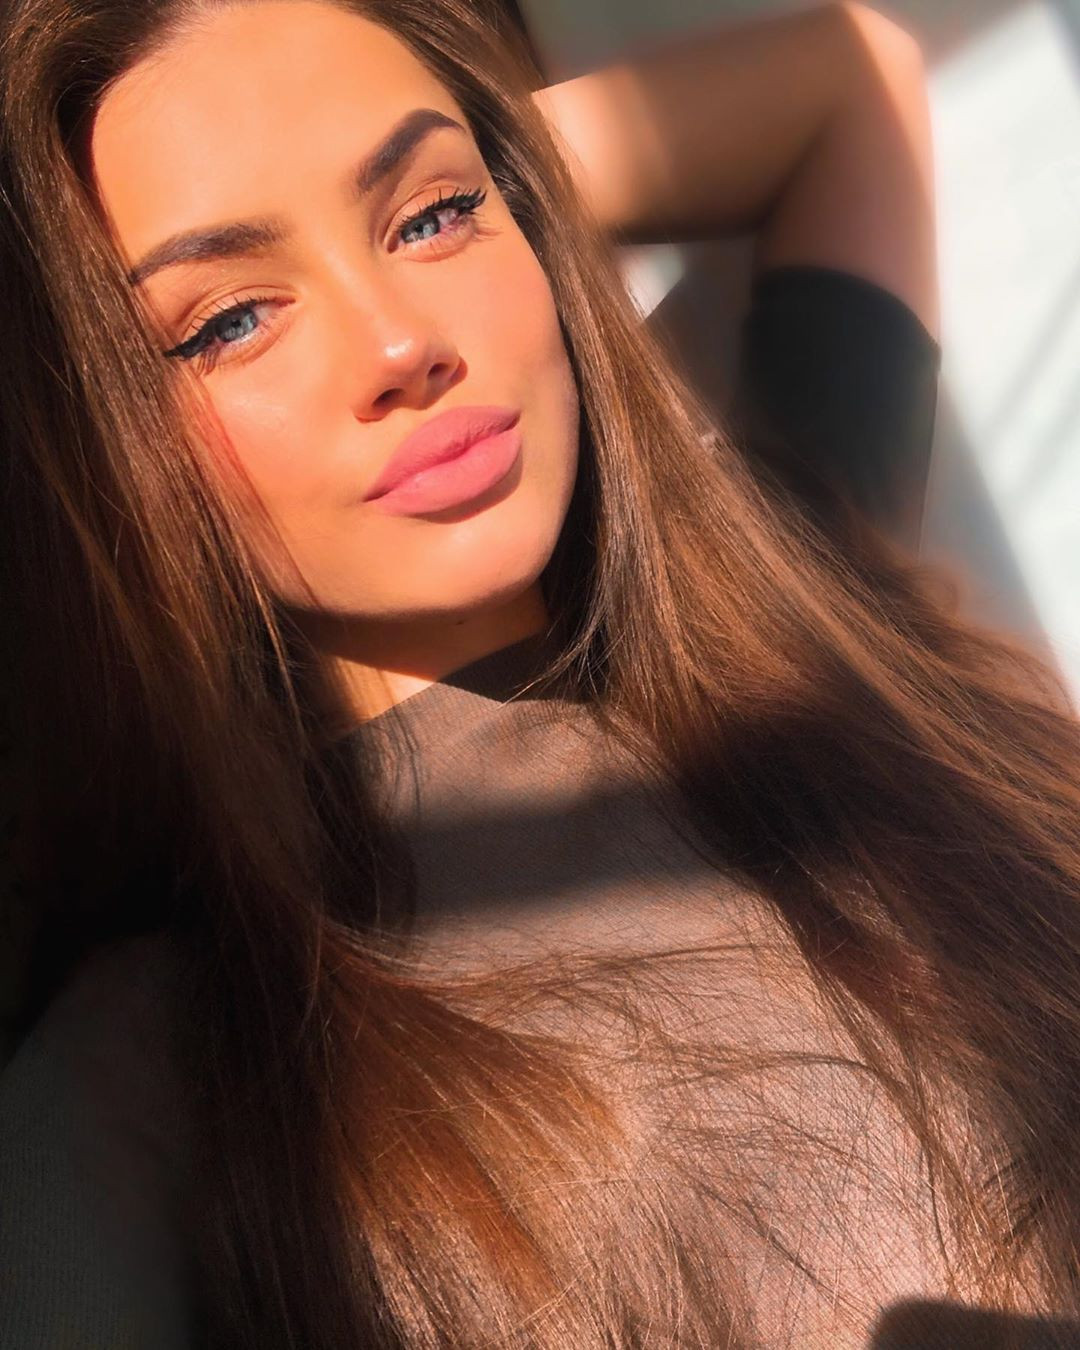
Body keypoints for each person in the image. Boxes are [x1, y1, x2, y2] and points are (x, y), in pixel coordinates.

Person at [1, 1, 1079, 1347]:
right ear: (95, 439)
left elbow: (852, 73)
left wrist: (484, 168)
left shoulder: (811, 614)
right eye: (228, 322)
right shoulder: (148, 1090)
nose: (401, 344)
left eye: (436, 216)